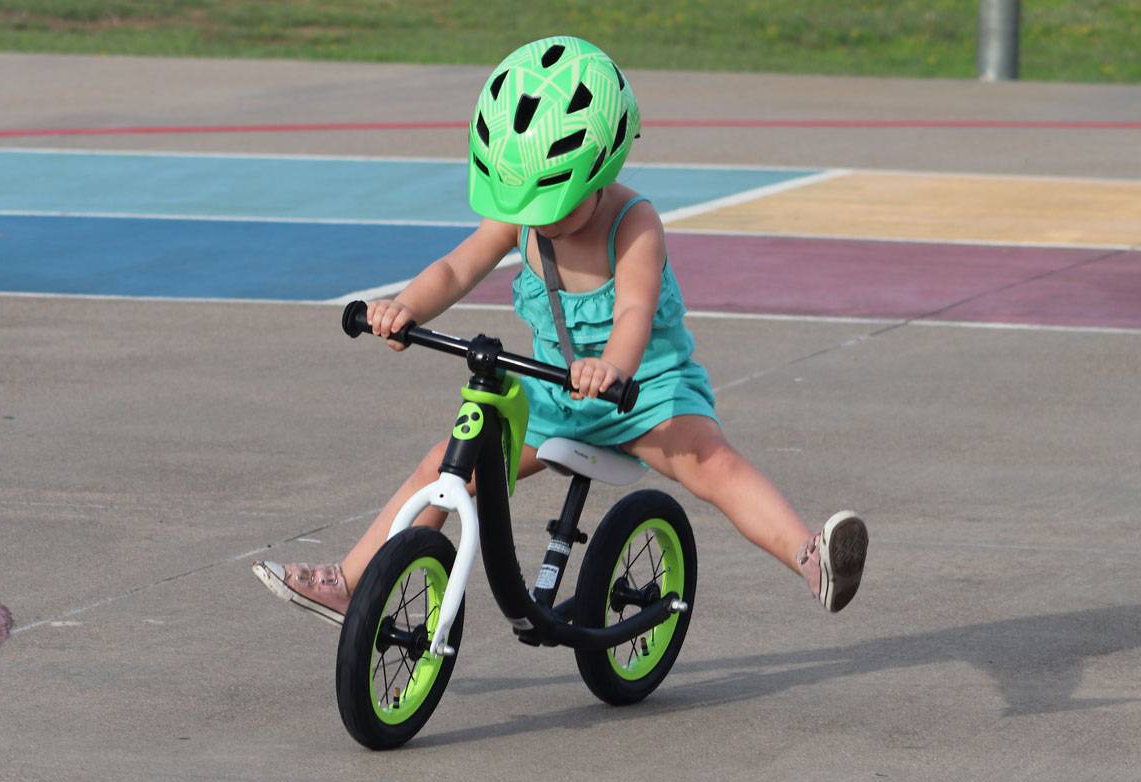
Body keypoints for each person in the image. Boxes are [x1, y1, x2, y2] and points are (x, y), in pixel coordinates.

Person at [252, 35, 867, 626]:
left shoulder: (635, 222)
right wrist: (405, 307)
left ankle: (809, 559)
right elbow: (457, 267)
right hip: (550, 392)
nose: (537, 219)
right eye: (527, 203)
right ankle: (353, 581)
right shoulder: (522, 214)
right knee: (442, 466)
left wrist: (613, 369)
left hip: (643, 393)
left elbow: (633, 311)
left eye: (554, 203)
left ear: (602, 168)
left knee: (712, 463)